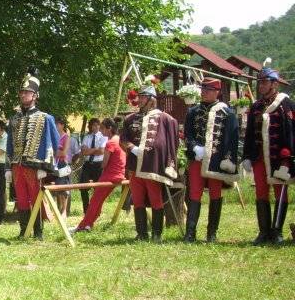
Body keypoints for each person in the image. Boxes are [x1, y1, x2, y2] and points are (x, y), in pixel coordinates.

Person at [120, 85, 180, 242]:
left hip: (153, 166)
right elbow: (123, 139)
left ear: (151, 99)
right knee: (137, 200)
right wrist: (132, 148)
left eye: (143, 97)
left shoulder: (164, 118)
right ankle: (141, 234)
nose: (139, 100)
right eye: (139, 96)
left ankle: (156, 234)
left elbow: (172, 141)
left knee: (155, 199)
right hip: (134, 166)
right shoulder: (130, 119)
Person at [241, 65, 294, 245]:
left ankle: (277, 232)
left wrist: (288, 158)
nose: (261, 86)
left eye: (264, 82)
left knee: (280, 192)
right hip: (259, 158)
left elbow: (291, 132)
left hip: (279, 158)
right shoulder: (256, 106)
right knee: (261, 192)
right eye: (260, 82)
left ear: (274, 84)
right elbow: (249, 134)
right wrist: (247, 156)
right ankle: (264, 232)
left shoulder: (286, 104)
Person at [183, 78, 240, 242]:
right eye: (203, 89)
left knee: (215, 194)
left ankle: (212, 233)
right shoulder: (193, 112)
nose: (204, 92)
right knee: (194, 193)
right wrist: (194, 147)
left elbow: (232, 139)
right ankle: (190, 233)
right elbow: (188, 134)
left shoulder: (227, 113)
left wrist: (227, 159)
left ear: (217, 92)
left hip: (216, 160)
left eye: (208, 90)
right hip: (197, 158)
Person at [7, 71, 58, 240]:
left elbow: (53, 144)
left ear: (35, 95)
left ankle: (38, 231)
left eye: (27, 92)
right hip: (17, 165)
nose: (23, 95)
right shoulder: (14, 118)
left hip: (35, 166)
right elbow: (10, 144)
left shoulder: (45, 118)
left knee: (36, 198)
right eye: (21, 92)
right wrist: (8, 167)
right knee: (21, 198)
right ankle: (24, 230)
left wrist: (46, 167)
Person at [74, 118, 126, 232]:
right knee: (98, 200)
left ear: (109, 128)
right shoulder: (120, 139)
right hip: (120, 174)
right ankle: (89, 223)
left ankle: (84, 225)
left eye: (102, 128)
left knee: (94, 201)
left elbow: (104, 163)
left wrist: (99, 162)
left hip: (110, 175)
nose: (101, 131)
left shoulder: (110, 142)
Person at [79, 118, 108, 213]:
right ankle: (86, 209)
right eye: (93, 125)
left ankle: (96, 210)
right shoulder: (87, 137)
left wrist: (90, 150)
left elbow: (101, 151)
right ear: (90, 126)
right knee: (83, 187)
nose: (95, 127)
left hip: (98, 165)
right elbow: (83, 152)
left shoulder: (103, 137)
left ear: (99, 126)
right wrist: (95, 149)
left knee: (98, 189)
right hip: (87, 164)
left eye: (96, 125)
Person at [53, 117, 71, 223]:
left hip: (62, 164)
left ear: (62, 125)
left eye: (57, 124)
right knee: (57, 188)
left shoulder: (66, 137)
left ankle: (64, 211)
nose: (55, 126)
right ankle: (58, 209)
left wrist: (55, 152)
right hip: (53, 164)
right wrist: (56, 152)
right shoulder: (54, 136)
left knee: (63, 188)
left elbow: (64, 153)